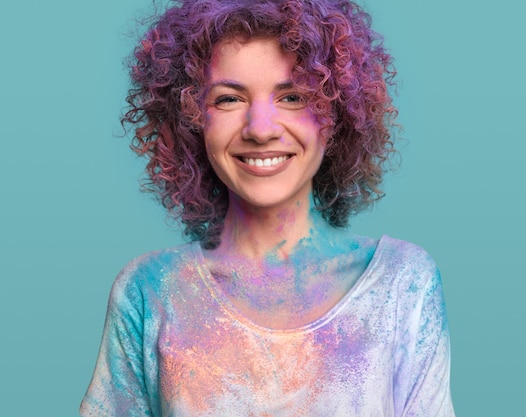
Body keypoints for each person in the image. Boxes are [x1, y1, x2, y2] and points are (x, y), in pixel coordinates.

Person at [80, 0, 455, 415]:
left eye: (292, 96)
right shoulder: (150, 292)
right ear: (191, 119)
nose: (260, 129)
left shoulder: (402, 284)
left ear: (339, 114)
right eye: (228, 99)